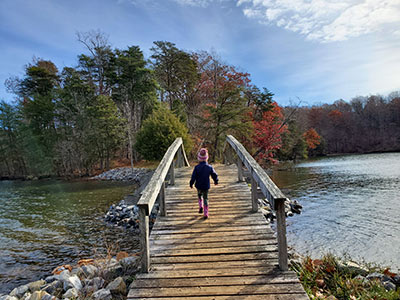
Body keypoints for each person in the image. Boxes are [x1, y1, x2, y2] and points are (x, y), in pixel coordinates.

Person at [190, 148, 218, 219]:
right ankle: (206, 213)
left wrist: (191, 183)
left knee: (199, 196)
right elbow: (214, 174)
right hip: (206, 185)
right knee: (206, 198)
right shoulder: (209, 167)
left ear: (199, 158)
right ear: (207, 158)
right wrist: (216, 181)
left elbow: (193, 177)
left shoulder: (196, 168)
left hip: (198, 185)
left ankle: (200, 207)